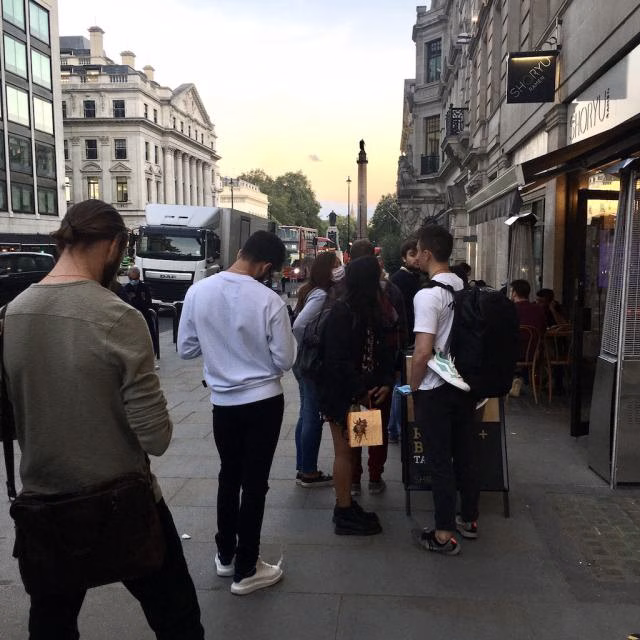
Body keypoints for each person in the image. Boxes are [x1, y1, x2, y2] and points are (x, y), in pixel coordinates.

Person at [2, 200, 204, 639]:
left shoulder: (13, 313)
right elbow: (156, 438)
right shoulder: (118, 316)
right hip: (122, 501)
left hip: (46, 503)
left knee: (52, 625)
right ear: (113, 246)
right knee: (178, 617)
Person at [177, 231, 295, 595]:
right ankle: (247, 567)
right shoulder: (269, 300)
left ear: (241, 252)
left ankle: (225, 554)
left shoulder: (198, 292)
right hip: (263, 401)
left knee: (228, 476)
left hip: (223, 403)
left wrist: (219, 351)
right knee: (255, 483)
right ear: (266, 266)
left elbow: (185, 348)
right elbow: (285, 359)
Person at [409, 224, 479, 556]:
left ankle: (443, 533)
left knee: (439, 460)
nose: (416, 257)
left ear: (427, 254)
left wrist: (413, 386)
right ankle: (470, 519)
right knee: (465, 454)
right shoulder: (465, 287)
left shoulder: (427, 295)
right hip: (465, 386)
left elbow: (423, 351)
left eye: (418, 252)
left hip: (436, 388)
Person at [319, 256, 394, 535]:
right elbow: (337, 360)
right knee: (344, 452)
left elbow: (382, 351)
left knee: (355, 448)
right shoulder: (349, 310)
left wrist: (383, 383)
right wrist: (364, 390)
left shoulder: (363, 308)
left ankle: (348, 504)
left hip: (363, 393)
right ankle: (343, 509)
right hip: (345, 395)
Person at [347, 240, 406, 495]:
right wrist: (393, 372)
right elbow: (401, 334)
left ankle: (354, 478)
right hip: (380, 372)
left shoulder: (343, 294)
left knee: (354, 425)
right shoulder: (390, 293)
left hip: (352, 375)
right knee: (375, 424)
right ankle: (374, 476)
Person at [292, 252, 343, 487]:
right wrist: (310, 343)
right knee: (312, 414)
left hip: (303, 360)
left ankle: (303, 466)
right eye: (336, 265)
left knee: (306, 413)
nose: (340, 269)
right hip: (309, 361)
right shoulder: (321, 294)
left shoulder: (311, 290)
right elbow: (299, 325)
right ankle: (309, 472)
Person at [387, 236, 422, 443]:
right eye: (412, 254)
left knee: (400, 384)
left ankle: (394, 428)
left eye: (418, 253)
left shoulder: (410, 278)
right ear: (403, 257)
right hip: (406, 340)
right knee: (401, 384)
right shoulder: (403, 280)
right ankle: (397, 428)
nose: (416, 258)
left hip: (406, 338)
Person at [120, 266, 159, 364]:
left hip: (145, 315)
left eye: (136, 278)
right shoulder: (126, 289)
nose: (134, 280)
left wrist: (140, 304)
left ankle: (152, 356)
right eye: (132, 278)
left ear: (139, 277)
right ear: (129, 278)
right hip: (132, 317)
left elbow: (148, 302)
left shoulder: (144, 287)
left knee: (150, 336)